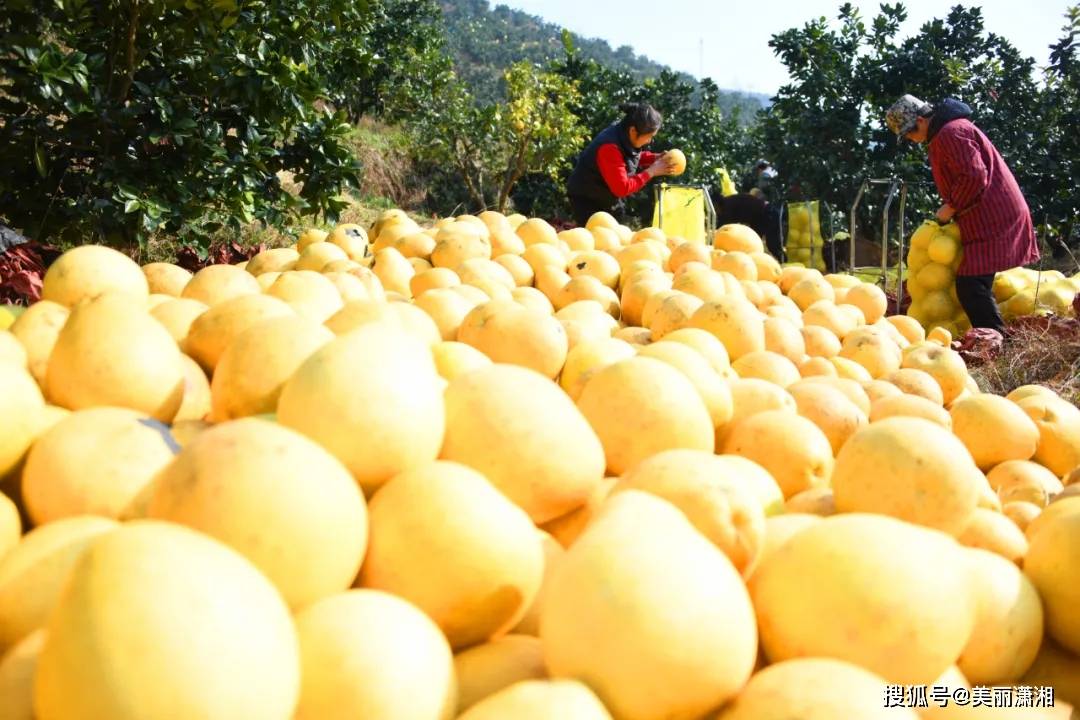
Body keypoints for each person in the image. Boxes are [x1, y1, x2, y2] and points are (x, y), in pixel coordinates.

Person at [886, 94, 1039, 334]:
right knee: (975, 284)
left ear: (921, 120)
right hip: (988, 214)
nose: (910, 139)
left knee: (971, 285)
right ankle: (996, 338)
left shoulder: (950, 133)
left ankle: (996, 341)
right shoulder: (948, 132)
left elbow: (974, 176)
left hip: (994, 216)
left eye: (908, 132)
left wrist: (951, 206)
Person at [566, 103, 677, 226]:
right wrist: (651, 171)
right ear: (633, 131)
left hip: (605, 196)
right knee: (601, 241)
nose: (649, 141)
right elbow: (622, 188)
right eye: (649, 136)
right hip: (588, 199)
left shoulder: (624, 133)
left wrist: (654, 158)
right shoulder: (609, 148)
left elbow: (629, 157)